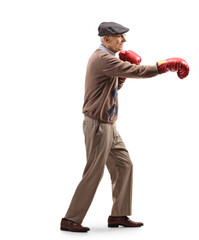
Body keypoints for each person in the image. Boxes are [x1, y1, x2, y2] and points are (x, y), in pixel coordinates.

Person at [60, 22, 189, 232]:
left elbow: (115, 85)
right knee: (94, 172)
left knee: (124, 165)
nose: (124, 40)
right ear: (106, 39)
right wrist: (165, 65)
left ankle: (118, 214)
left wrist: (121, 78)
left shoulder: (109, 60)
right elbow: (137, 71)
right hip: (97, 125)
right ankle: (70, 219)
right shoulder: (102, 58)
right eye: (120, 36)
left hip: (110, 124)